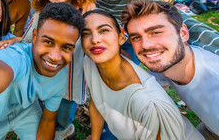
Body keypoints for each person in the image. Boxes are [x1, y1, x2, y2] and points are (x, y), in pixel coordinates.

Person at [81, 9, 203, 140]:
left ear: (121, 37)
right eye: (86, 33)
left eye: (103, 30)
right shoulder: (90, 62)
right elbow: (96, 100)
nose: (95, 39)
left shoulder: (146, 102)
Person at [0, 2, 84, 139]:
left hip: (24, 111)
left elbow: (48, 121)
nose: (55, 57)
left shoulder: (60, 77)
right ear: (34, 37)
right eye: (48, 42)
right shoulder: (16, 56)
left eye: (66, 47)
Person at [121, 0, 219, 140]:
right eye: (136, 37)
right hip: (211, 126)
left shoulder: (215, 79)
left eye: (156, 32)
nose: (146, 45)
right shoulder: (162, 65)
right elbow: (150, 97)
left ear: (183, 33)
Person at [24, 0, 98, 139]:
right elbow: (27, 41)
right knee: (42, 113)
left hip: (70, 86)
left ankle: (63, 130)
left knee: (63, 118)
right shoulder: (42, 14)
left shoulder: (89, 15)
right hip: (43, 79)